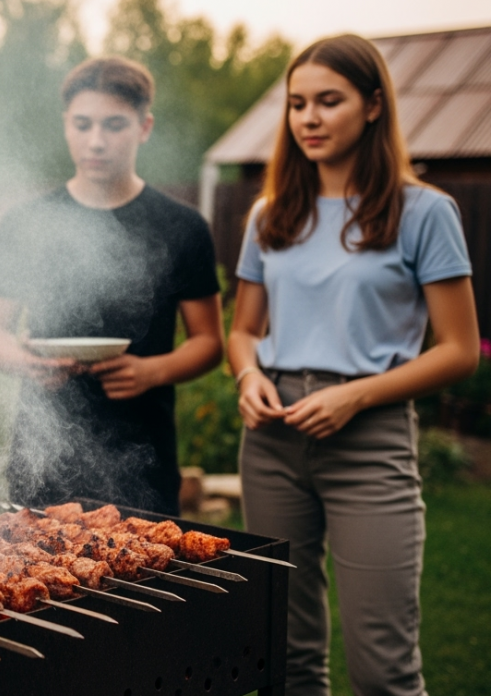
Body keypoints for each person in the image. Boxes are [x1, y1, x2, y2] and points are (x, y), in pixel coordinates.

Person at [228, 35, 478, 696]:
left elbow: (458, 349)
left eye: (328, 101)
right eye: (297, 104)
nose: (308, 118)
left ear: (372, 107)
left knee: (384, 668)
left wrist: (355, 398)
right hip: (272, 440)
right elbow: (244, 331)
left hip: (367, 441)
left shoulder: (423, 212)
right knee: (284, 654)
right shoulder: (268, 214)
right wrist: (249, 376)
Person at [0, 56, 224, 515]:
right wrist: (24, 361)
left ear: (144, 126)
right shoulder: (24, 223)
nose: (96, 141)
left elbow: (210, 342)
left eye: (114, 125)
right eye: (83, 124)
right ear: (66, 125)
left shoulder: (183, 227)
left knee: (143, 582)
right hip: (42, 455)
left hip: (144, 453)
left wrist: (152, 371)